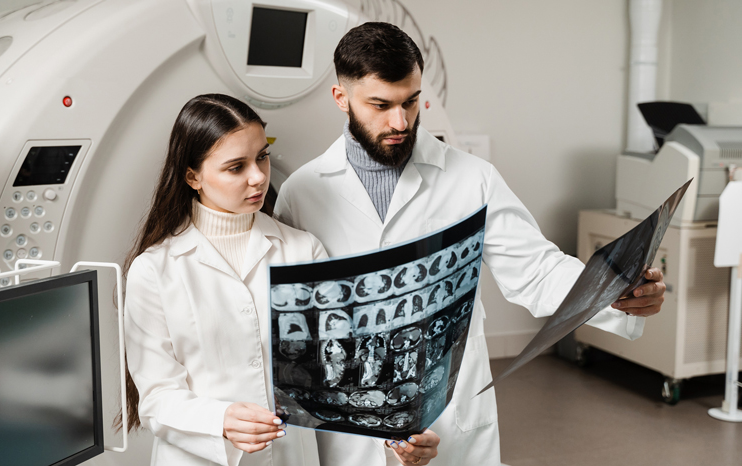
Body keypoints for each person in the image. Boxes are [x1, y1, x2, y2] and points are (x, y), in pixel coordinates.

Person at [274, 23, 666, 466]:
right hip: (348, 424)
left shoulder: (472, 178)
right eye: (380, 106)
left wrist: (618, 290)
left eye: (410, 101)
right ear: (341, 99)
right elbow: (293, 322)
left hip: (446, 415)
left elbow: (535, 270)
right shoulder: (302, 191)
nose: (400, 121)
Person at [123, 94, 327, 466]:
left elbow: (331, 368)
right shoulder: (154, 270)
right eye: (236, 167)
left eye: (262, 157)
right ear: (193, 176)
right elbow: (156, 398)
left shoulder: (303, 251)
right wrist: (221, 420)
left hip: (289, 455)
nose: (259, 177)